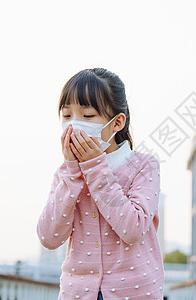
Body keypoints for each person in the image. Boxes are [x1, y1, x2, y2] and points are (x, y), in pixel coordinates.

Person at [36, 68, 164, 300]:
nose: (75, 125)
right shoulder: (66, 174)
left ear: (117, 123)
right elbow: (49, 237)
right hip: (76, 293)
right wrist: (73, 172)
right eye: (67, 116)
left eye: (87, 116)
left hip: (135, 293)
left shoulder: (144, 166)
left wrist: (94, 167)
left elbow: (133, 228)